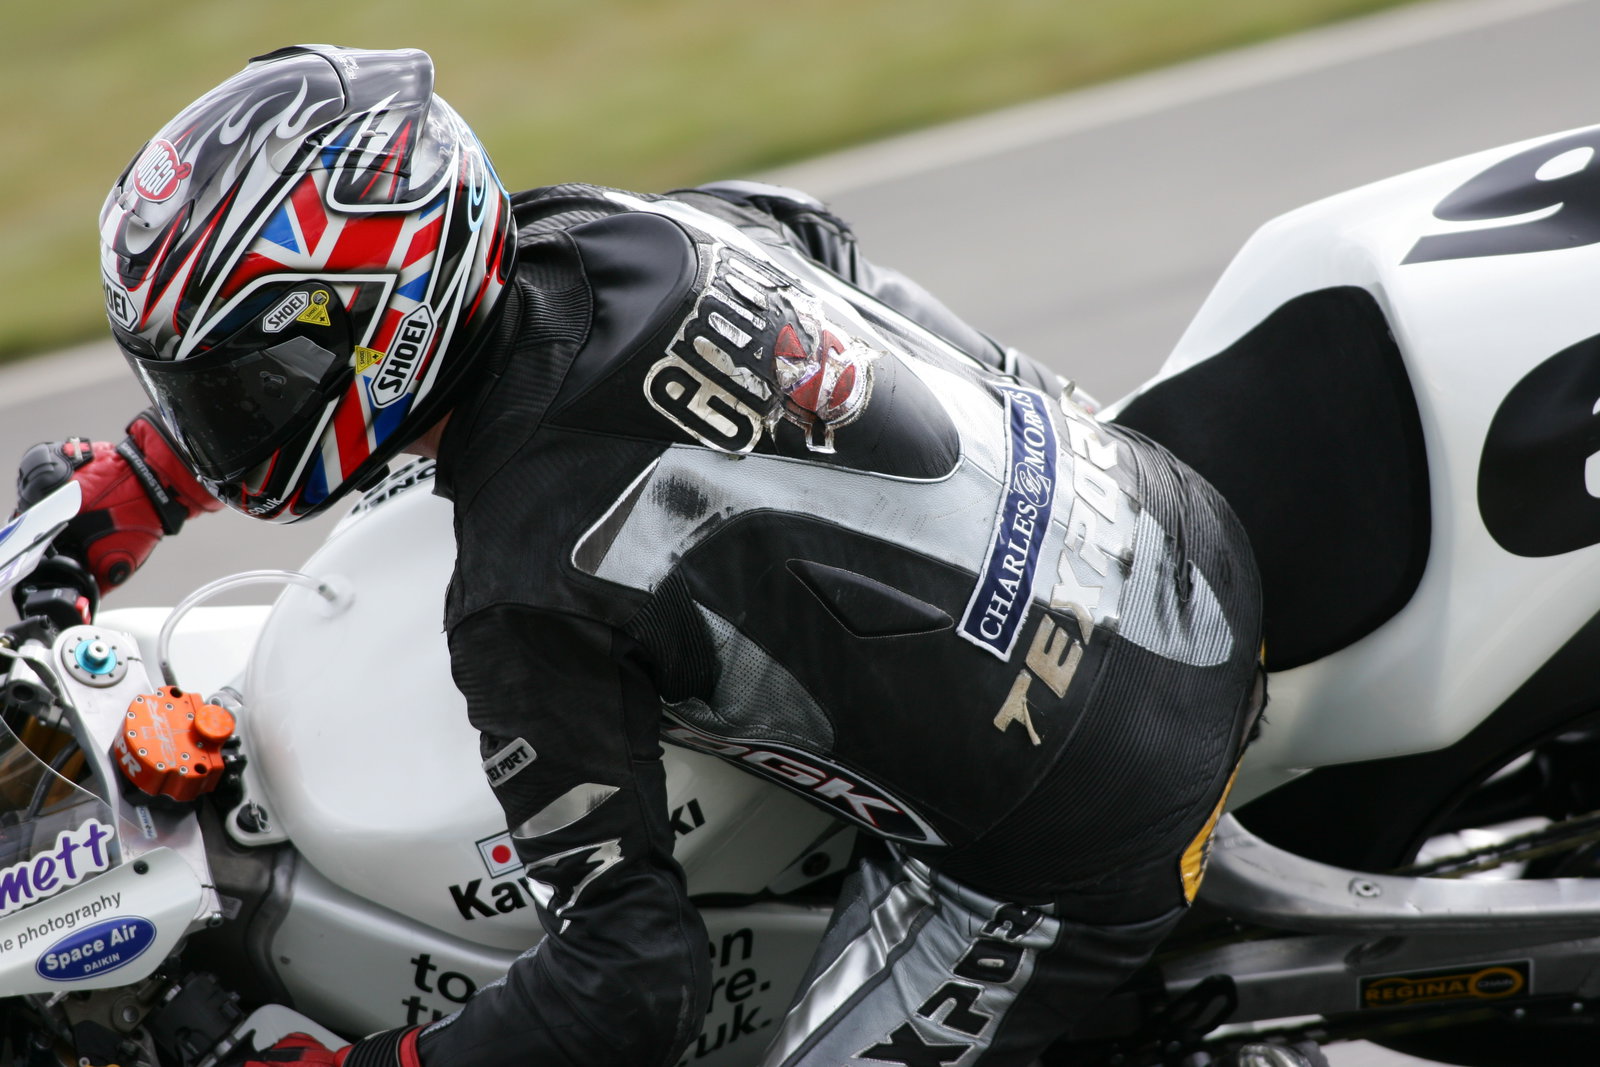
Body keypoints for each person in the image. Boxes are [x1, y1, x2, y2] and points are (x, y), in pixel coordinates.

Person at [24, 44, 1275, 1067]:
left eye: (235, 386)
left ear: (379, 324)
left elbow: (628, 983)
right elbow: (817, 243)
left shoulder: (524, 577)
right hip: (1162, 525)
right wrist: (133, 481)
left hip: (1090, 808)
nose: (211, 426)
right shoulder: (606, 228)